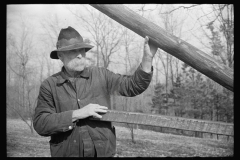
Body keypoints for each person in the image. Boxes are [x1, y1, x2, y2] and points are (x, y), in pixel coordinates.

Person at [33, 26, 157, 157]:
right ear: (60, 55)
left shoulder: (100, 75)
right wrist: (78, 114)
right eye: (73, 51)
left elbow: (133, 86)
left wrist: (147, 58)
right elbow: (41, 124)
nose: (80, 55)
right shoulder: (50, 85)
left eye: (82, 50)